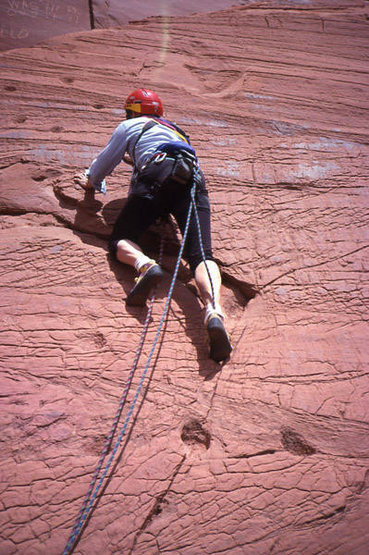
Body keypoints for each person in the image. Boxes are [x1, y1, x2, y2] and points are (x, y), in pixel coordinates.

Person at [77, 88, 232, 362]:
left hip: (156, 172)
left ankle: (145, 265)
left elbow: (104, 163)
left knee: (121, 238)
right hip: (192, 177)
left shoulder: (130, 125)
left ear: (131, 111)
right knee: (201, 255)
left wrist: (91, 181)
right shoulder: (176, 130)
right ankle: (214, 310)